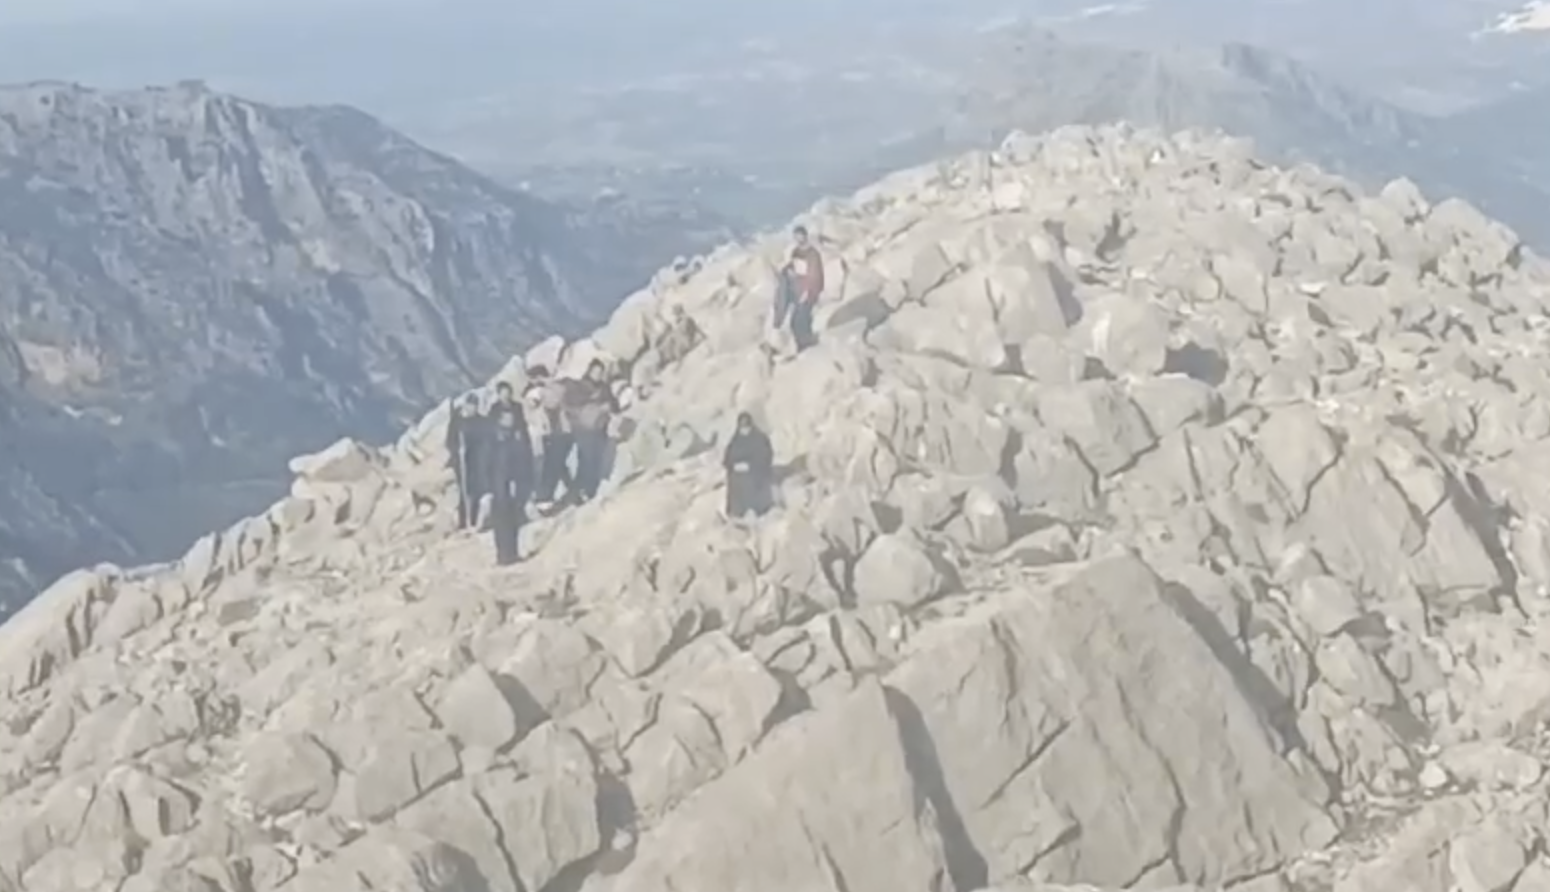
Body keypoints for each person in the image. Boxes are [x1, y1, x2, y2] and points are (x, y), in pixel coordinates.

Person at [484, 399, 534, 565]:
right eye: (507, 418)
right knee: (502, 521)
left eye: (511, 418)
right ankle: (503, 554)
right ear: (500, 420)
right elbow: (489, 462)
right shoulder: (495, 439)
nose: (510, 421)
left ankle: (512, 552)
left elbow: (524, 458)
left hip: (513, 482)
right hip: (500, 484)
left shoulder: (516, 436)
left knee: (513, 520)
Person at [566, 360, 620, 504]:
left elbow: (615, 406)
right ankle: (585, 491)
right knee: (587, 460)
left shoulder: (604, 388)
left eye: (600, 372)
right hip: (583, 429)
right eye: (595, 371)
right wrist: (597, 406)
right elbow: (573, 406)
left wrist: (610, 406)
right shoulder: (578, 387)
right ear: (589, 371)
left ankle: (584, 491)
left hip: (599, 428)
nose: (597, 375)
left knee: (594, 460)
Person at [525, 365, 575, 512]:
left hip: (557, 432)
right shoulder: (541, 390)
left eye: (534, 378)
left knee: (551, 465)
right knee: (557, 464)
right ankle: (571, 490)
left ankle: (545, 497)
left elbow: (552, 402)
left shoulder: (551, 389)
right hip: (549, 433)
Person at [776, 225, 824, 353]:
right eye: (796, 236)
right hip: (798, 288)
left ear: (805, 236)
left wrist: (808, 291)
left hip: (808, 291)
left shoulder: (813, 254)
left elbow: (815, 275)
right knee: (795, 321)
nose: (798, 238)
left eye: (800, 235)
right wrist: (787, 271)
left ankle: (809, 346)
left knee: (801, 319)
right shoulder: (796, 252)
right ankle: (801, 346)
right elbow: (793, 265)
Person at [445, 394, 489, 529]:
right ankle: (463, 520)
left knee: (476, 490)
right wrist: (457, 450)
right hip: (462, 461)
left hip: (477, 460)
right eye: (470, 405)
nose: (472, 409)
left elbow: (485, 440)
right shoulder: (458, 422)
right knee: (464, 491)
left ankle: (475, 519)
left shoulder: (481, 421)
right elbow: (449, 440)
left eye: (474, 406)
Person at [723, 412, 774, 519]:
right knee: (733, 479)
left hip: (756, 474)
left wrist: (750, 466)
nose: (744, 430)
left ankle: (758, 509)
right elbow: (727, 459)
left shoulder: (760, 439)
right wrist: (734, 466)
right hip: (738, 475)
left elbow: (765, 457)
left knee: (751, 480)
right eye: (742, 427)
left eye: (746, 426)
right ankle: (736, 512)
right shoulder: (735, 441)